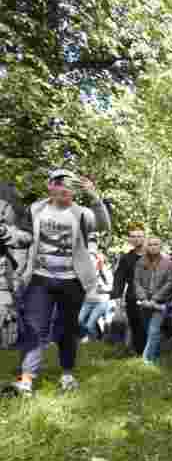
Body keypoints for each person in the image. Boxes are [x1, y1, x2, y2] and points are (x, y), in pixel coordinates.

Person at [3, 169, 111, 396]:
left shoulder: (81, 213)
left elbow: (103, 225)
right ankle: (26, 380)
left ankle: (67, 374)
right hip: (40, 279)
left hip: (72, 281)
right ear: (50, 186)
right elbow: (22, 237)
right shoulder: (36, 209)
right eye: (59, 183)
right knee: (34, 328)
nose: (64, 188)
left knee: (67, 330)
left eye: (69, 185)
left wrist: (94, 197)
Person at [133, 236, 172, 364]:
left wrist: (155, 298)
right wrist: (143, 298)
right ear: (147, 246)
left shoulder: (168, 263)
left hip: (160, 303)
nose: (153, 247)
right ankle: (156, 354)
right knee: (150, 331)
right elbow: (136, 282)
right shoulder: (141, 262)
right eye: (151, 244)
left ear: (160, 246)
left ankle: (146, 360)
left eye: (156, 244)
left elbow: (171, 282)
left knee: (153, 330)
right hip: (144, 303)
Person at [0, 182, 28, 349]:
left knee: (6, 319)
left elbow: (24, 237)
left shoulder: (8, 195)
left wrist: (5, 233)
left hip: (5, 282)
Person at [111, 229, 147, 355]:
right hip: (132, 297)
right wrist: (117, 296)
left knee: (148, 326)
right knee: (135, 325)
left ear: (144, 238)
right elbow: (119, 278)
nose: (136, 239)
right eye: (133, 237)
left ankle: (150, 351)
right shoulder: (126, 258)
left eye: (139, 236)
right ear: (130, 240)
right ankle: (139, 352)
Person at [78, 244, 113, 342]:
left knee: (90, 325)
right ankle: (93, 338)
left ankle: (96, 341)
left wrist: (103, 289)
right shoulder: (83, 272)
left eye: (92, 258)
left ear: (97, 259)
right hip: (87, 301)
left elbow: (112, 287)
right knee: (79, 321)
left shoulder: (104, 271)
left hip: (101, 302)